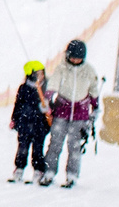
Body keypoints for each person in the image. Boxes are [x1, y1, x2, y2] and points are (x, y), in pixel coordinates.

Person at [37, 38, 100, 187]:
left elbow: (93, 89)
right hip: (62, 111)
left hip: (80, 113)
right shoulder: (62, 68)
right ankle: (49, 172)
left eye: (78, 58)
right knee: (55, 144)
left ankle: (72, 175)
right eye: (73, 57)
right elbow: (53, 83)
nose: (75, 60)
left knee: (75, 146)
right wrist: (48, 97)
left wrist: (95, 106)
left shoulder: (89, 71)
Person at [9, 60, 51, 183]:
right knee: (22, 147)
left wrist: (49, 111)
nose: (40, 76)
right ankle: (19, 168)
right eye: (37, 74)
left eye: (42, 73)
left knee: (38, 148)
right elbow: (18, 104)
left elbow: (52, 103)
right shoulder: (24, 88)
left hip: (40, 124)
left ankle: (38, 170)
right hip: (25, 123)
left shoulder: (45, 88)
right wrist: (14, 119)